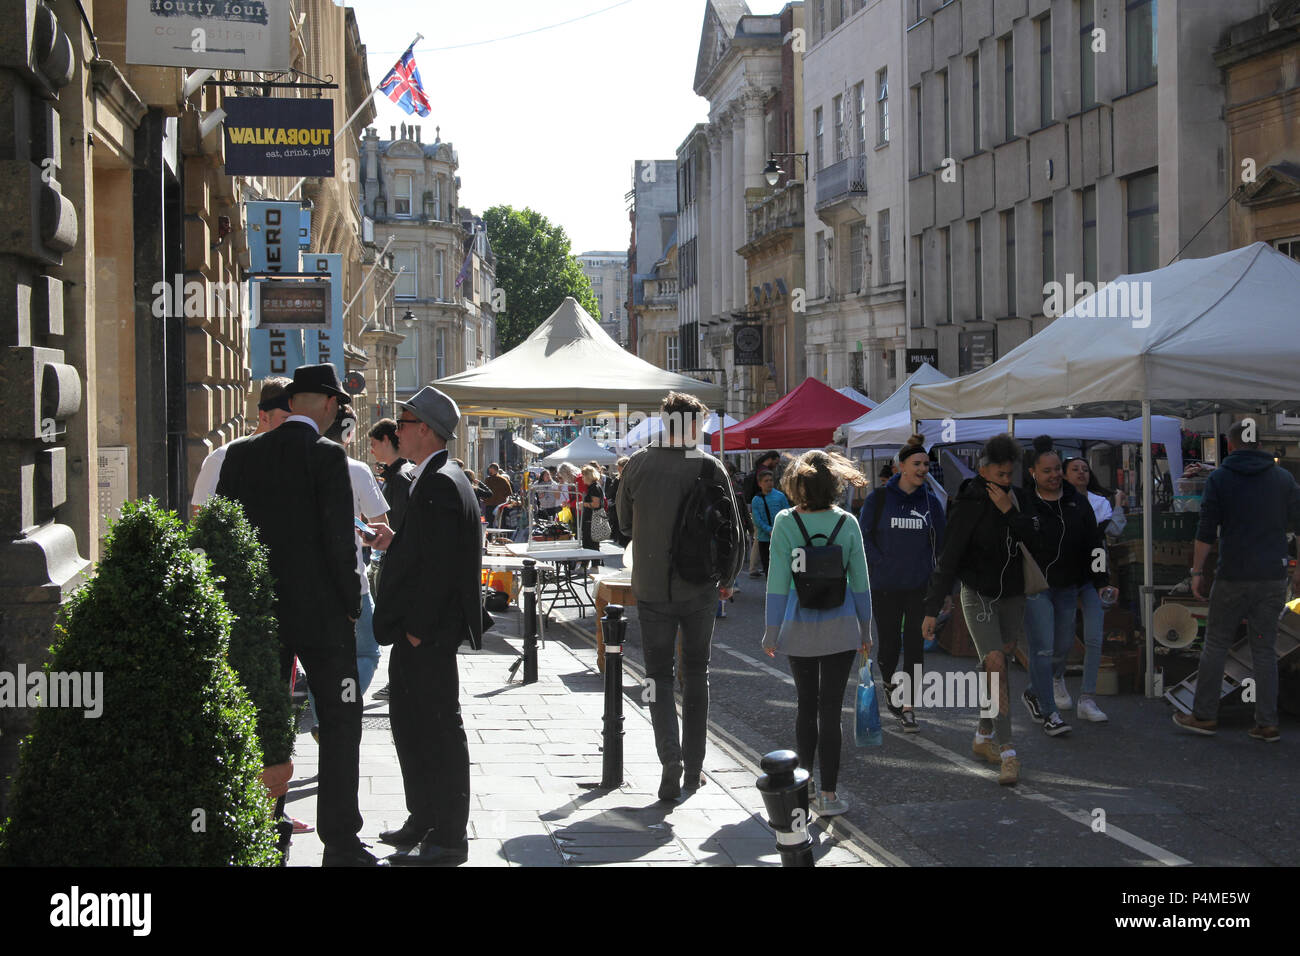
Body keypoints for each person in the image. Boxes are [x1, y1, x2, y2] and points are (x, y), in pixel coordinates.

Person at [215, 364, 378, 865]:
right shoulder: (327, 456)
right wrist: (351, 605)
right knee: (340, 720)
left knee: (262, 718)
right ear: (329, 405)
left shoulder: (240, 455)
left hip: (261, 615)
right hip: (323, 615)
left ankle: (262, 826)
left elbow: (224, 535)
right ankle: (340, 837)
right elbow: (338, 540)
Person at [368, 386, 484, 866]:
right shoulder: (433, 475)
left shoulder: (438, 480)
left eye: (405, 422)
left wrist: (417, 627)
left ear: (426, 430)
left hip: (426, 632)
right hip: (420, 629)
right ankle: (423, 818)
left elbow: (439, 567)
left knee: (436, 729)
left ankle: (449, 834)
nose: (397, 430)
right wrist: (395, 541)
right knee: (410, 727)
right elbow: (426, 549)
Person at [617, 391, 739, 801]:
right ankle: (695, 767)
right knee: (697, 673)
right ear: (688, 426)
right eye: (700, 425)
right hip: (700, 586)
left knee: (657, 678)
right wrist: (729, 576)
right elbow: (734, 530)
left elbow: (622, 523)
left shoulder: (637, 464)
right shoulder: (708, 465)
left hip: (651, 588)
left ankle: (669, 758)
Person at [921, 433, 1038, 786]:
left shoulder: (1018, 499)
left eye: (1010, 475)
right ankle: (1008, 752)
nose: (1006, 481)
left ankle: (983, 734)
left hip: (1014, 594)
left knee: (994, 661)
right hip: (978, 594)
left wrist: (1009, 512)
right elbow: (949, 558)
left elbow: (1036, 540)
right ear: (984, 470)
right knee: (996, 663)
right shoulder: (968, 502)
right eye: (1000, 475)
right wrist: (932, 607)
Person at [1175, 420, 1300, 742]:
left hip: (1233, 574)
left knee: (1216, 643)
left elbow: (1206, 531)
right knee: (1264, 648)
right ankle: (1267, 722)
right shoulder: (1283, 478)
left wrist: (1197, 572)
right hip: (1272, 575)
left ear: (1230, 445)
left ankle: (1204, 715)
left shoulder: (1220, 478)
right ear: (1260, 443)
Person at [762, 451, 871, 816]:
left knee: (806, 708)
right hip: (842, 630)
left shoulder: (784, 522)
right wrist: (866, 630)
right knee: (831, 711)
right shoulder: (848, 523)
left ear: (796, 486)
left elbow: (777, 582)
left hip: (799, 628)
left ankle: (802, 792)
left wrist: (770, 631)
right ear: (834, 485)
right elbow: (861, 584)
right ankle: (829, 795)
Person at [1021, 436, 1112, 731]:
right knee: (1043, 647)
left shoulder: (1077, 502)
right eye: (1046, 471)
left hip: (1069, 585)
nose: (1054, 475)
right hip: (1036, 587)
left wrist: (1101, 580)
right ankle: (1049, 712)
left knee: (1062, 645)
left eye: (1057, 468)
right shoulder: (1025, 503)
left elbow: (1094, 543)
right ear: (1033, 473)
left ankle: (1036, 689)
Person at [859, 435, 947, 732]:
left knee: (914, 646)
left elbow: (942, 547)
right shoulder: (879, 498)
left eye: (926, 464)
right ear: (901, 467)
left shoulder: (931, 503)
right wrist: (880, 562)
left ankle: (909, 706)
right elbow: (863, 536)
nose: (923, 469)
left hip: (919, 587)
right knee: (889, 647)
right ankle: (888, 682)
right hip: (885, 586)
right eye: (917, 464)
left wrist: (942, 589)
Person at [322, 404, 389, 703]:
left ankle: (324, 712)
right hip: (351, 581)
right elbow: (379, 531)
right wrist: (362, 534)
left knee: (318, 659)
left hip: (308, 582)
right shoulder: (358, 470)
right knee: (367, 651)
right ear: (348, 433)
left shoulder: (295, 468)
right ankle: (342, 708)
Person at [190, 376, 292, 514]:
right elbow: (202, 520)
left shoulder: (294, 459)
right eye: (286, 419)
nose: (294, 425)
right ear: (264, 417)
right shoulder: (222, 458)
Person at [1063, 457, 1127, 540]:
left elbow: (1114, 531)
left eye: (1085, 470)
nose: (1081, 472)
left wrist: (1118, 502)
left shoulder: (1100, 502)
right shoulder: (1059, 501)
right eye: (1075, 469)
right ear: (1064, 476)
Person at [744, 452, 781, 577]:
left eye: (771, 480)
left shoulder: (758, 468)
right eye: (776, 462)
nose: (776, 465)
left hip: (760, 509)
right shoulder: (763, 471)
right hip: (760, 509)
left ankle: (755, 568)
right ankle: (753, 568)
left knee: (758, 540)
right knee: (759, 540)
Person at [750, 469, 789, 575]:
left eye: (771, 480)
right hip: (764, 538)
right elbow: (757, 520)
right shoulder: (756, 500)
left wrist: (779, 529)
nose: (769, 483)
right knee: (768, 567)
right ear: (760, 484)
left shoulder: (780, 496)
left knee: (782, 566)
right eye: (766, 481)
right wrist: (769, 530)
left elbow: (787, 513)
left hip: (780, 536)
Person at [579, 464, 606, 569]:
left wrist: (583, 504)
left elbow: (596, 504)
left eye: (583, 475)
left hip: (592, 519)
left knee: (590, 543)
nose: (582, 478)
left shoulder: (594, 487)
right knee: (589, 542)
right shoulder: (593, 486)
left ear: (588, 476)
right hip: (592, 519)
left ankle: (593, 566)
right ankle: (588, 565)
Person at [605, 457, 631, 547]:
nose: (618, 470)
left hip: (627, 511)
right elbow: (609, 494)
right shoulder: (617, 480)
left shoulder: (626, 479)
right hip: (619, 511)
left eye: (619, 468)